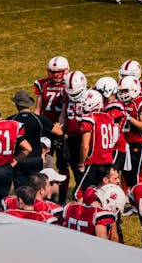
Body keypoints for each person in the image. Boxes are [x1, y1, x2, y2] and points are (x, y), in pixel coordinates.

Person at [7, 90, 63, 189]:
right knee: (36, 189)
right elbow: (59, 132)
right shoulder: (39, 119)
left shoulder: (11, 120)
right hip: (36, 160)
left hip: (19, 159)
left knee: (21, 191)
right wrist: (57, 126)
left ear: (16, 104)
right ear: (29, 104)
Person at [33, 56, 69, 202]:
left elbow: (65, 112)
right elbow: (38, 109)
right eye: (52, 72)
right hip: (46, 129)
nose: (55, 75)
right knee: (43, 162)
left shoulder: (68, 85)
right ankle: (44, 195)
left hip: (60, 130)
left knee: (62, 165)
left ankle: (62, 197)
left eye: (58, 72)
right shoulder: (43, 84)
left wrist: (60, 128)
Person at [75, 89, 119, 198]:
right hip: (108, 160)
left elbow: (85, 146)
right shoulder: (109, 118)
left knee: (79, 193)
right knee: (106, 192)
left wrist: (81, 163)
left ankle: (80, 214)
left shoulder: (89, 119)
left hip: (94, 161)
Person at [117, 76, 142, 194]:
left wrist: (129, 118)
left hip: (137, 143)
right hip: (124, 143)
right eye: (121, 91)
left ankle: (137, 202)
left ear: (134, 89)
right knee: (125, 172)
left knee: (134, 175)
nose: (123, 94)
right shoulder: (121, 102)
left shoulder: (141, 102)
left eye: (125, 91)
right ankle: (127, 197)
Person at [58, 70, 88, 204]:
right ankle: (81, 193)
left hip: (85, 137)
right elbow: (64, 114)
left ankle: (85, 196)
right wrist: (59, 130)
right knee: (75, 168)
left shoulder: (91, 95)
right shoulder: (66, 95)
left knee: (85, 168)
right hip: (71, 137)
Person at [94, 77, 128, 172]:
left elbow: (115, 132)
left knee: (110, 175)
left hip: (115, 148)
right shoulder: (105, 104)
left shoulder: (115, 107)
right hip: (107, 147)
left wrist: (107, 147)